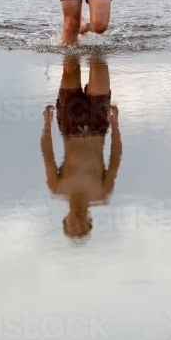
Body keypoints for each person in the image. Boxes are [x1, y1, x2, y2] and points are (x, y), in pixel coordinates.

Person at [41, 56, 121, 238]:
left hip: (70, 123)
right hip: (98, 124)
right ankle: (93, 30)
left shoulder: (57, 187)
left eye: (73, 226)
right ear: (89, 221)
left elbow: (47, 156)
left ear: (65, 219)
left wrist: (46, 124)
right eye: (82, 226)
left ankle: (78, 28)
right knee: (98, 61)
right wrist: (115, 124)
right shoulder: (102, 193)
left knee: (70, 62)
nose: (78, 222)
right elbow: (115, 160)